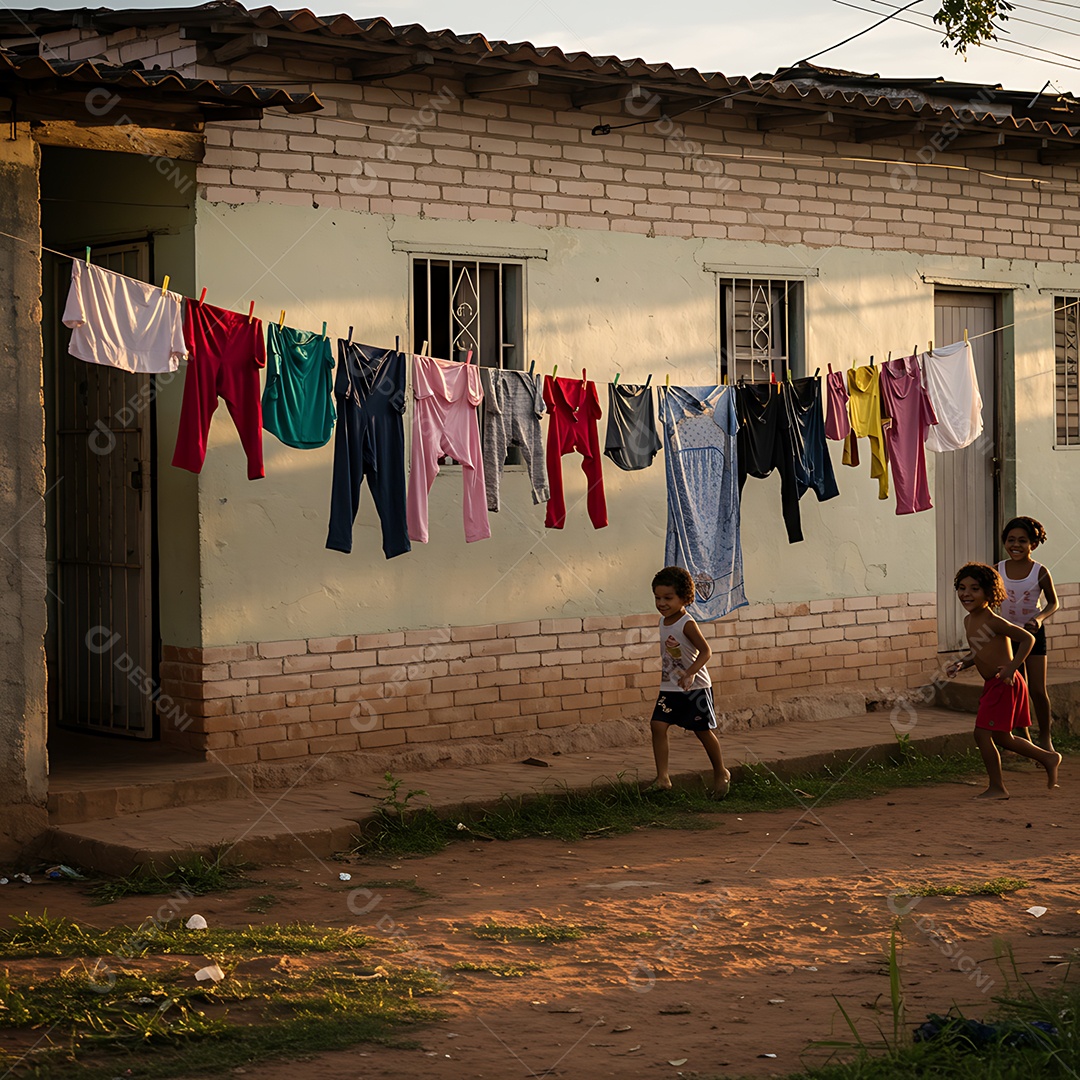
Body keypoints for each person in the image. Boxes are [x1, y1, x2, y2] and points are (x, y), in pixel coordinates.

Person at [945, 563, 1061, 800]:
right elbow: (978, 652)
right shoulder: (970, 621)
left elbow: (1028, 639)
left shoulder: (993, 620)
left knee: (982, 734)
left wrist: (1011, 667)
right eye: (962, 588)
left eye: (975, 588)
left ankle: (998, 787)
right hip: (995, 684)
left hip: (1004, 683)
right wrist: (962, 663)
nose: (966, 593)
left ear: (990, 593)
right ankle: (1047, 757)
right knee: (1001, 736)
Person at [649, 566, 730, 798]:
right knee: (658, 725)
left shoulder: (686, 623)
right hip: (670, 686)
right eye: (657, 598)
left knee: (702, 731)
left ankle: (721, 772)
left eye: (668, 598)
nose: (662, 603)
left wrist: (691, 673)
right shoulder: (663, 621)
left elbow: (706, 651)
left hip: (695, 688)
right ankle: (663, 778)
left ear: (684, 598)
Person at [998, 516, 1059, 750]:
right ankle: (1023, 738)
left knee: (1036, 689)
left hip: (1032, 636)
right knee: (1014, 686)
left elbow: (1053, 603)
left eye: (1022, 540)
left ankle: (1045, 737)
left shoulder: (1039, 571)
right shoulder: (998, 569)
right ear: (1004, 541)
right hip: (1007, 636)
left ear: (1033, 544)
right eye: (1011, 539)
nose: (1016, 545)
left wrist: (1039, 618)